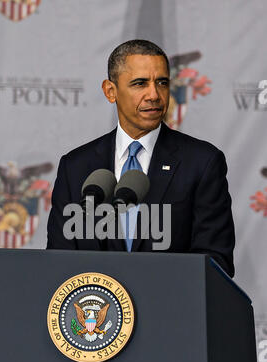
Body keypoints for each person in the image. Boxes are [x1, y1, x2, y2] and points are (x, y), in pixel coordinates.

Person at [47, 39, 235, 278]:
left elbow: (216, 263)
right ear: (110, 91)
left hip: (170, 311)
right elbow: (57, 260)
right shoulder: (75, 167)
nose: (154, 95)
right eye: (140, 83)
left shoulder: (202, 163)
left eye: (162, 83)